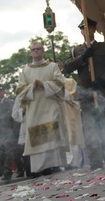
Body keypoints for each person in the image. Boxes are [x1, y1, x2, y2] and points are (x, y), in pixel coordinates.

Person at [63, 18, 105, 170]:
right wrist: (83, 58)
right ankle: (95, 160)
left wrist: (103, 80)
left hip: (103, 92)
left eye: (89, 28)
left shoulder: (104, 47)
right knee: (90, 127)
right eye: (83, 28)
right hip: (86, 94)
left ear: (93, 30)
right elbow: (67, 68)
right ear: (81, 31)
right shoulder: (76, 50)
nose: (86, 31)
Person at [16, 41, 68, 176]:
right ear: (30, 52)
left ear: (43, 51)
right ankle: (42, 167)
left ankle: (55, 165)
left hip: (50, 105)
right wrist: (32, 87)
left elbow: (60, 83)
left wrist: (44, 85)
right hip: (34, 109)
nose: (36, 51)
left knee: (52, 130)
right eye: (33, 49)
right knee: (38, 134)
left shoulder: (52, 66)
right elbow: (20, 90)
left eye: (38, 49)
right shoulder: (26, 70)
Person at [56, 60, 87, 169]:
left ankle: (74, 162)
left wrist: (64, 93)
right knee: (60, 136)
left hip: (69, 110)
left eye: (58, 66)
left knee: (72, 136)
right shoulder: (50, 83)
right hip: (57, 112)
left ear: (62, 67)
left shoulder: (69, 81)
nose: (56, 68)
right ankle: (62, 163)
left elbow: (74, 95)